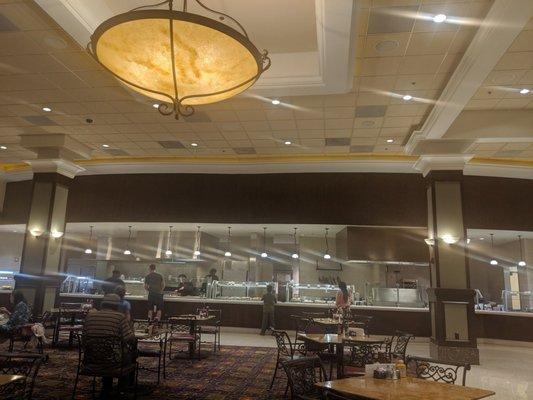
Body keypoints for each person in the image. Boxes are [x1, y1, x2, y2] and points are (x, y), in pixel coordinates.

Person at [83, 293, 136, 398]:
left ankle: (106, 388)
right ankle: (123, 389)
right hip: (113, 360)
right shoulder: (119, 317)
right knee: (130, 355)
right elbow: (130, 338)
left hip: (90, 358)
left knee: (106, 351)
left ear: (102, 304)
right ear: (117, 306)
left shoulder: (90, 316)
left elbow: (83, 339)